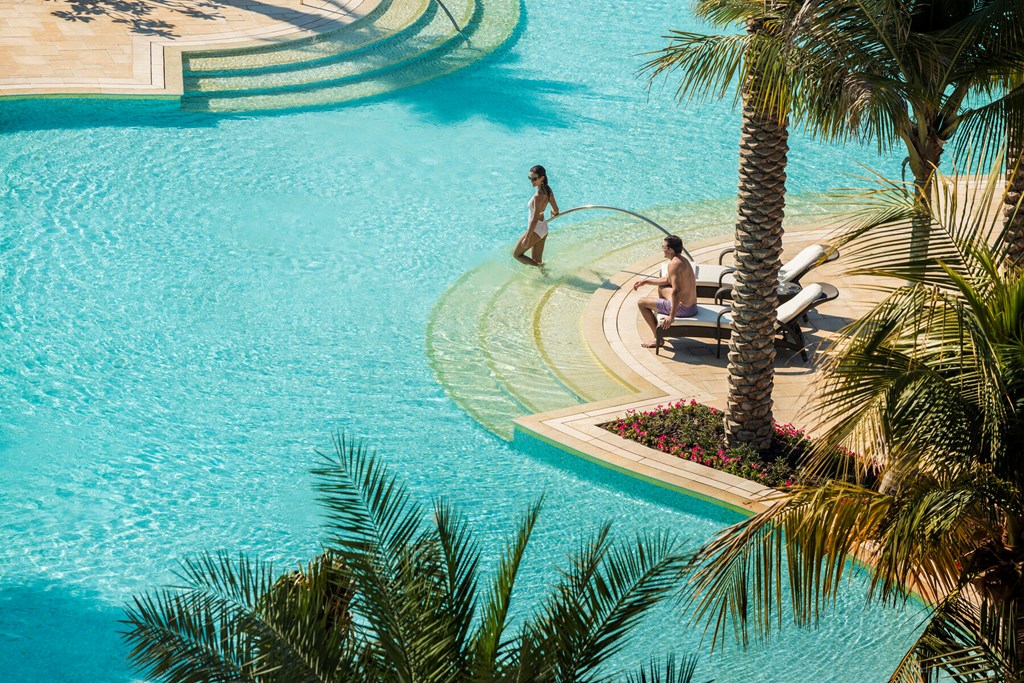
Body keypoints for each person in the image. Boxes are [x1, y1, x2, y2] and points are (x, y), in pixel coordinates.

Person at [633, 235, 697, 349]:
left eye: (663, 247)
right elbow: (667, 280)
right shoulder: (681, 260)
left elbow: (676, 291)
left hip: (684, 309)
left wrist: (671, 317)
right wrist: (646, 281)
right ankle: (662, 325)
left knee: (641, 303)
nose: (662, 249)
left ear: (670, 250)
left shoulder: (674, 264)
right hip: (692, 305)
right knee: (662, 288)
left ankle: (658, 338)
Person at [513, 165, 559, 267]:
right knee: (537, 260)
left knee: (517, 254)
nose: (531, 181)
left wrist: (527, 238)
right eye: (530, 178)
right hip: (544, 228)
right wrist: (553, 211)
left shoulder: (538, 196)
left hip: (536, 228)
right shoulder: (548, 190)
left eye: (534, 179)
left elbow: (534, 220)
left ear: (542, 178)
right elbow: (556, 210)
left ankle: (541, 269)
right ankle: (544, 276)